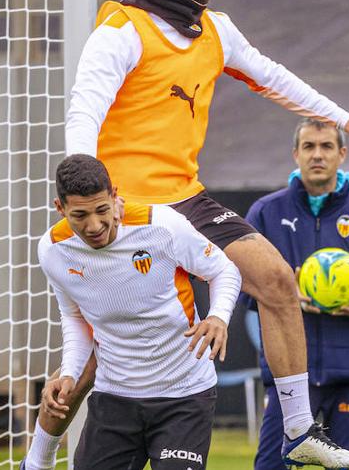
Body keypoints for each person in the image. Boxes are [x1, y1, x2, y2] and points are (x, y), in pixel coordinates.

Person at [62, 0, 349, 468]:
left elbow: (271, 76)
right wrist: (84, 193)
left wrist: (343, 117)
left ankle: (300, 432)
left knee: (278, 281)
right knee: (101, 356)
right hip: (126, 210)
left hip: (187, 199)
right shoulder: (120, 30)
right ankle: (44, 449)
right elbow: (84, 111)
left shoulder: (215, 28)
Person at [26, 154, 241, 470]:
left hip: (184, 395)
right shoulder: (53, 250)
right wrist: (70, 372)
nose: (95, 225)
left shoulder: (162, 226)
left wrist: (218, 316)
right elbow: (74, 317)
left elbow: (224, 270)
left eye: (102, 210)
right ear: (60, 209)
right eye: (80, 215)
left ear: (115, 195)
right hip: (115, 397)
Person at [244, 117, 349, 468]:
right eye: (309, 147)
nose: (317, 155)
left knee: (347, 466)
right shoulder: (266, 212)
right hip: (289, 375)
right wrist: (283, 297)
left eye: (326, 147)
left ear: (342, 154)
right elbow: (241, 285)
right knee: (272, 465)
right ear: (296, 154)